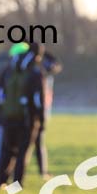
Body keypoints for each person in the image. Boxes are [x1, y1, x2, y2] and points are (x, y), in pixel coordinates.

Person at [0, 43, 45, 186]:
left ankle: (1, 181)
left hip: (8, 117)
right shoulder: (34, 71)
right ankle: (17, 183)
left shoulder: (9, 69)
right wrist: (41, 120)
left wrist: (0, 113)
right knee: (23, 152)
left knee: (8, 150)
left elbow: (0, 93)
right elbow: (38, 100)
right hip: (27, 119)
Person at [33, 50, 62, 179]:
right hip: (36, 107)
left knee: (39, 139)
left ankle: (43, 170)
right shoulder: (31, 62)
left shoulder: (45, 57)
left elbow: (56, 66)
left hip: (43, 105)